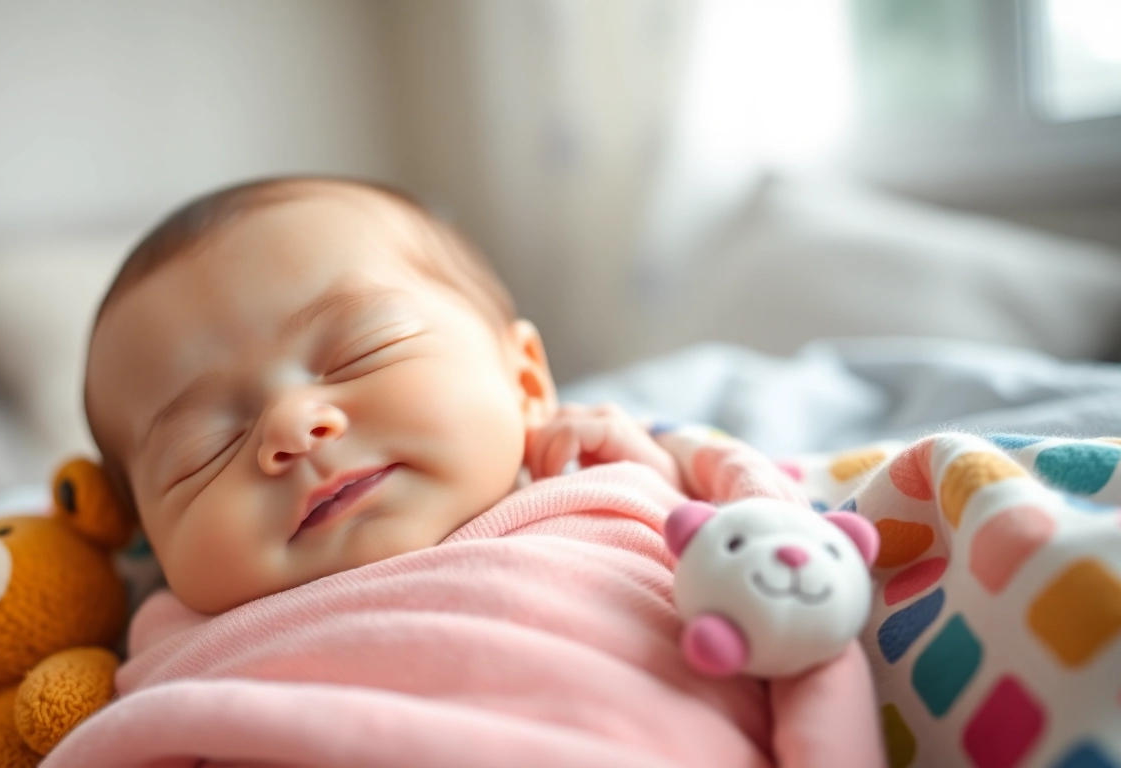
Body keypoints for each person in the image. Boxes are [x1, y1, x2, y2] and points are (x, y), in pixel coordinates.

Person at [73, 176, 882, 767]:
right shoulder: (166, 643)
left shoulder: (627, 494)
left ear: (526, 382)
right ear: (153, 535)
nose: (289, 427)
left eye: (361, 350)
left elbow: (802, 615)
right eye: (199, 451)